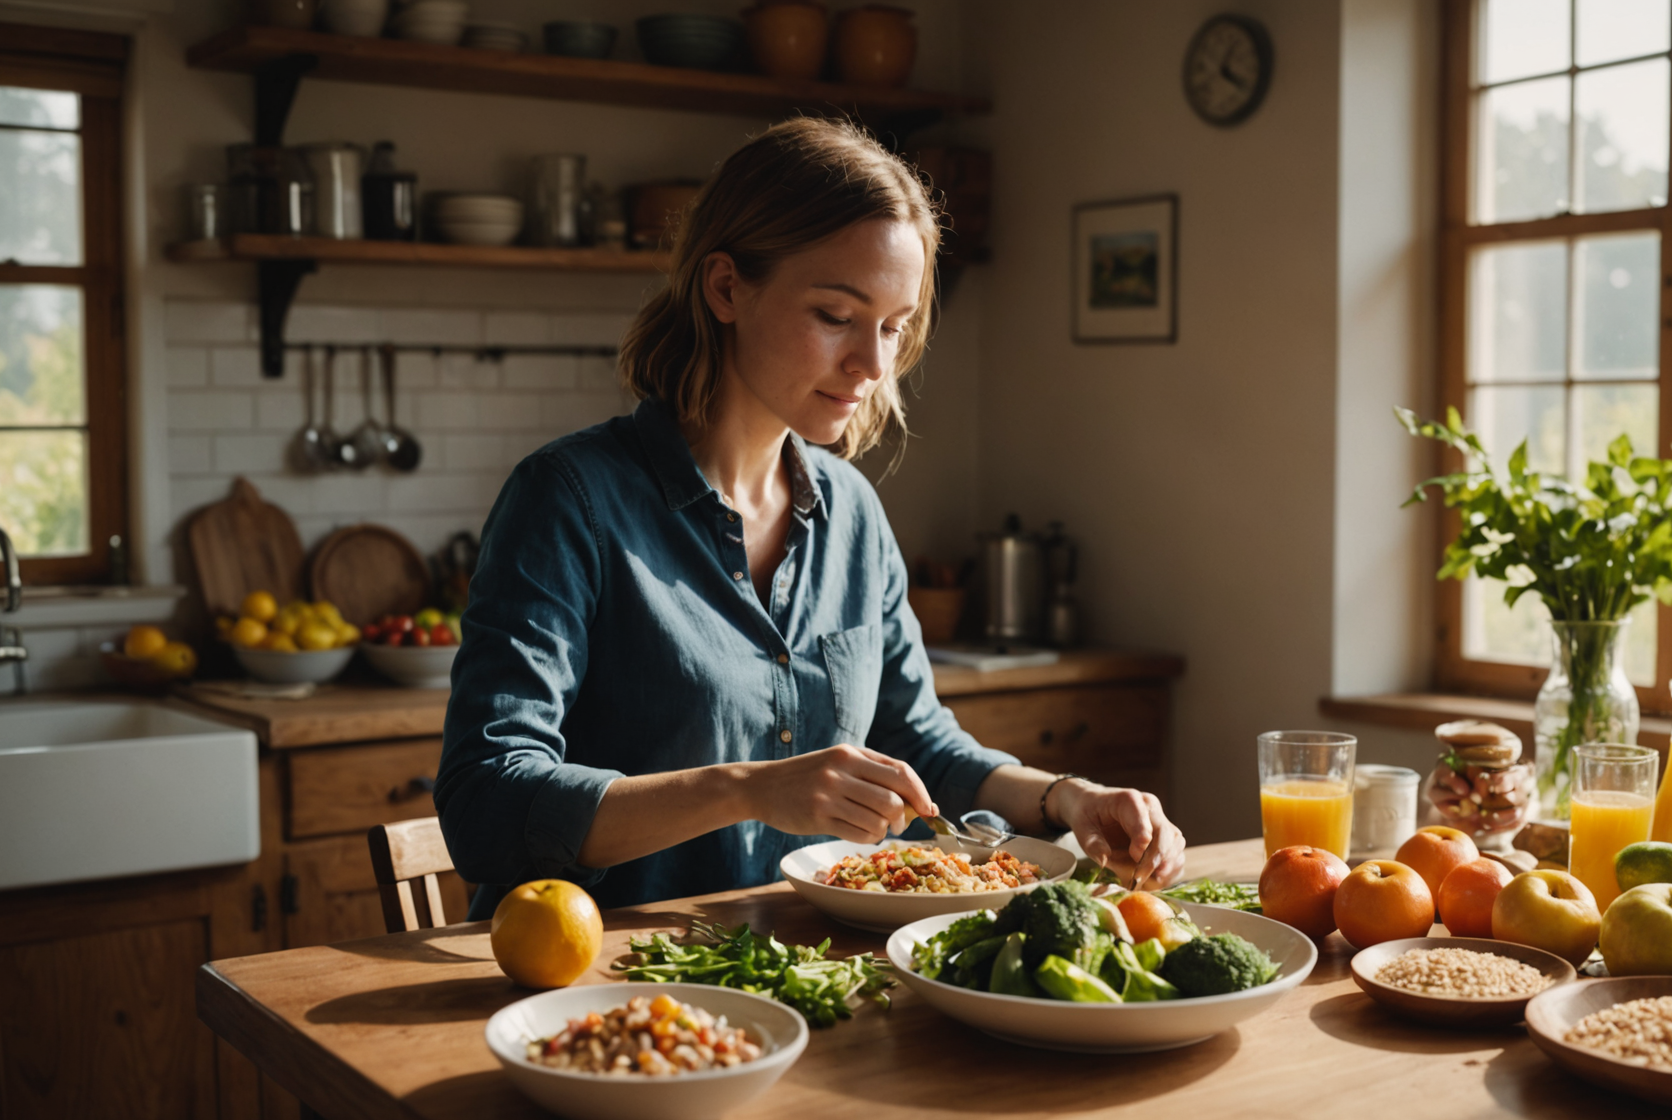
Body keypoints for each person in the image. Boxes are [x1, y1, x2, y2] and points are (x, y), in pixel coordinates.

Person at [436, 118, 1186, 919]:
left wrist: (1070, 801)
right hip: (603, 992)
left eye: (893, 327)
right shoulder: (570, 498)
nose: (872, 364)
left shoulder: (852, 513)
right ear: (725, 288)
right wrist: (750, 787)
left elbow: (918, 741)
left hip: (813, 976)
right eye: (836, 315)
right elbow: (486, 805)